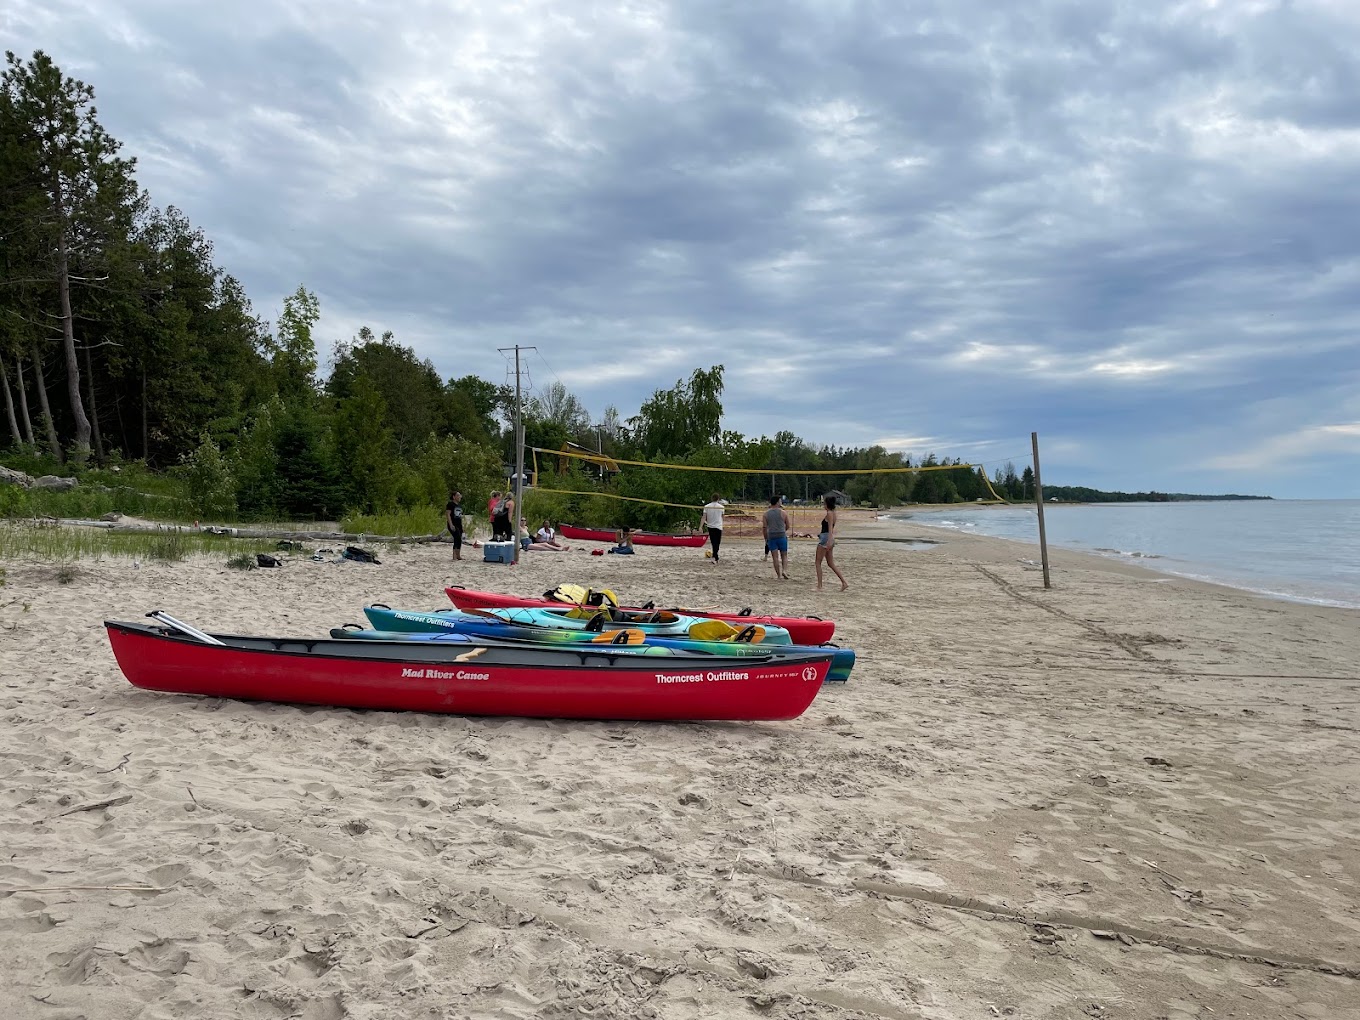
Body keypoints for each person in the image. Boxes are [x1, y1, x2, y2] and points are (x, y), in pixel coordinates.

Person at [815, 494, 848, 591]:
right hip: (828, 537)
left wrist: (829, 541)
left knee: (818, 562)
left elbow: (830, 529)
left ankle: (819, 586)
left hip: (826, 538)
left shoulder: (829, 513)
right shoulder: (834, 512)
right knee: (830, 563)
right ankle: (844, 582)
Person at [763, 494, 791, 580]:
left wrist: (766, 538)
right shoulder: (783, 513)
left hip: (771, 536)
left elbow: (764, 527)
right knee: (784, 555)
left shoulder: (766, 514)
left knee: (775, 557)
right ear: (778, 502)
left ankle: (778, 575)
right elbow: (788, 525)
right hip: (781, 535)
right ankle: (784, 570)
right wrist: (783, 530)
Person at [701, 493, 725, 562]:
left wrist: (701, 526)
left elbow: (704, 517)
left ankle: (715, 554)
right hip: (718, 526)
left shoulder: (707, 506)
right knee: (717, 542)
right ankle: (715, 554)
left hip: (710, 526)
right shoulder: (721, 507)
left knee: (713, 541)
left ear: (712, 498)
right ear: (718, 499)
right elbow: (723, 517)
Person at [444, 490, 464, 560]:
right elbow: (448, 514)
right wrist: (451, 524)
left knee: (459, 539)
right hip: (453, 524)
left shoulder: (459, 505)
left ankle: (458, 555)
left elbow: (460, 516)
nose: (460, 497)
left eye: (460, 495)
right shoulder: (450, 504)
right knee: (456, 538)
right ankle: (454, 556)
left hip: (459, 524)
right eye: (458, 495)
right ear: (454, 497)